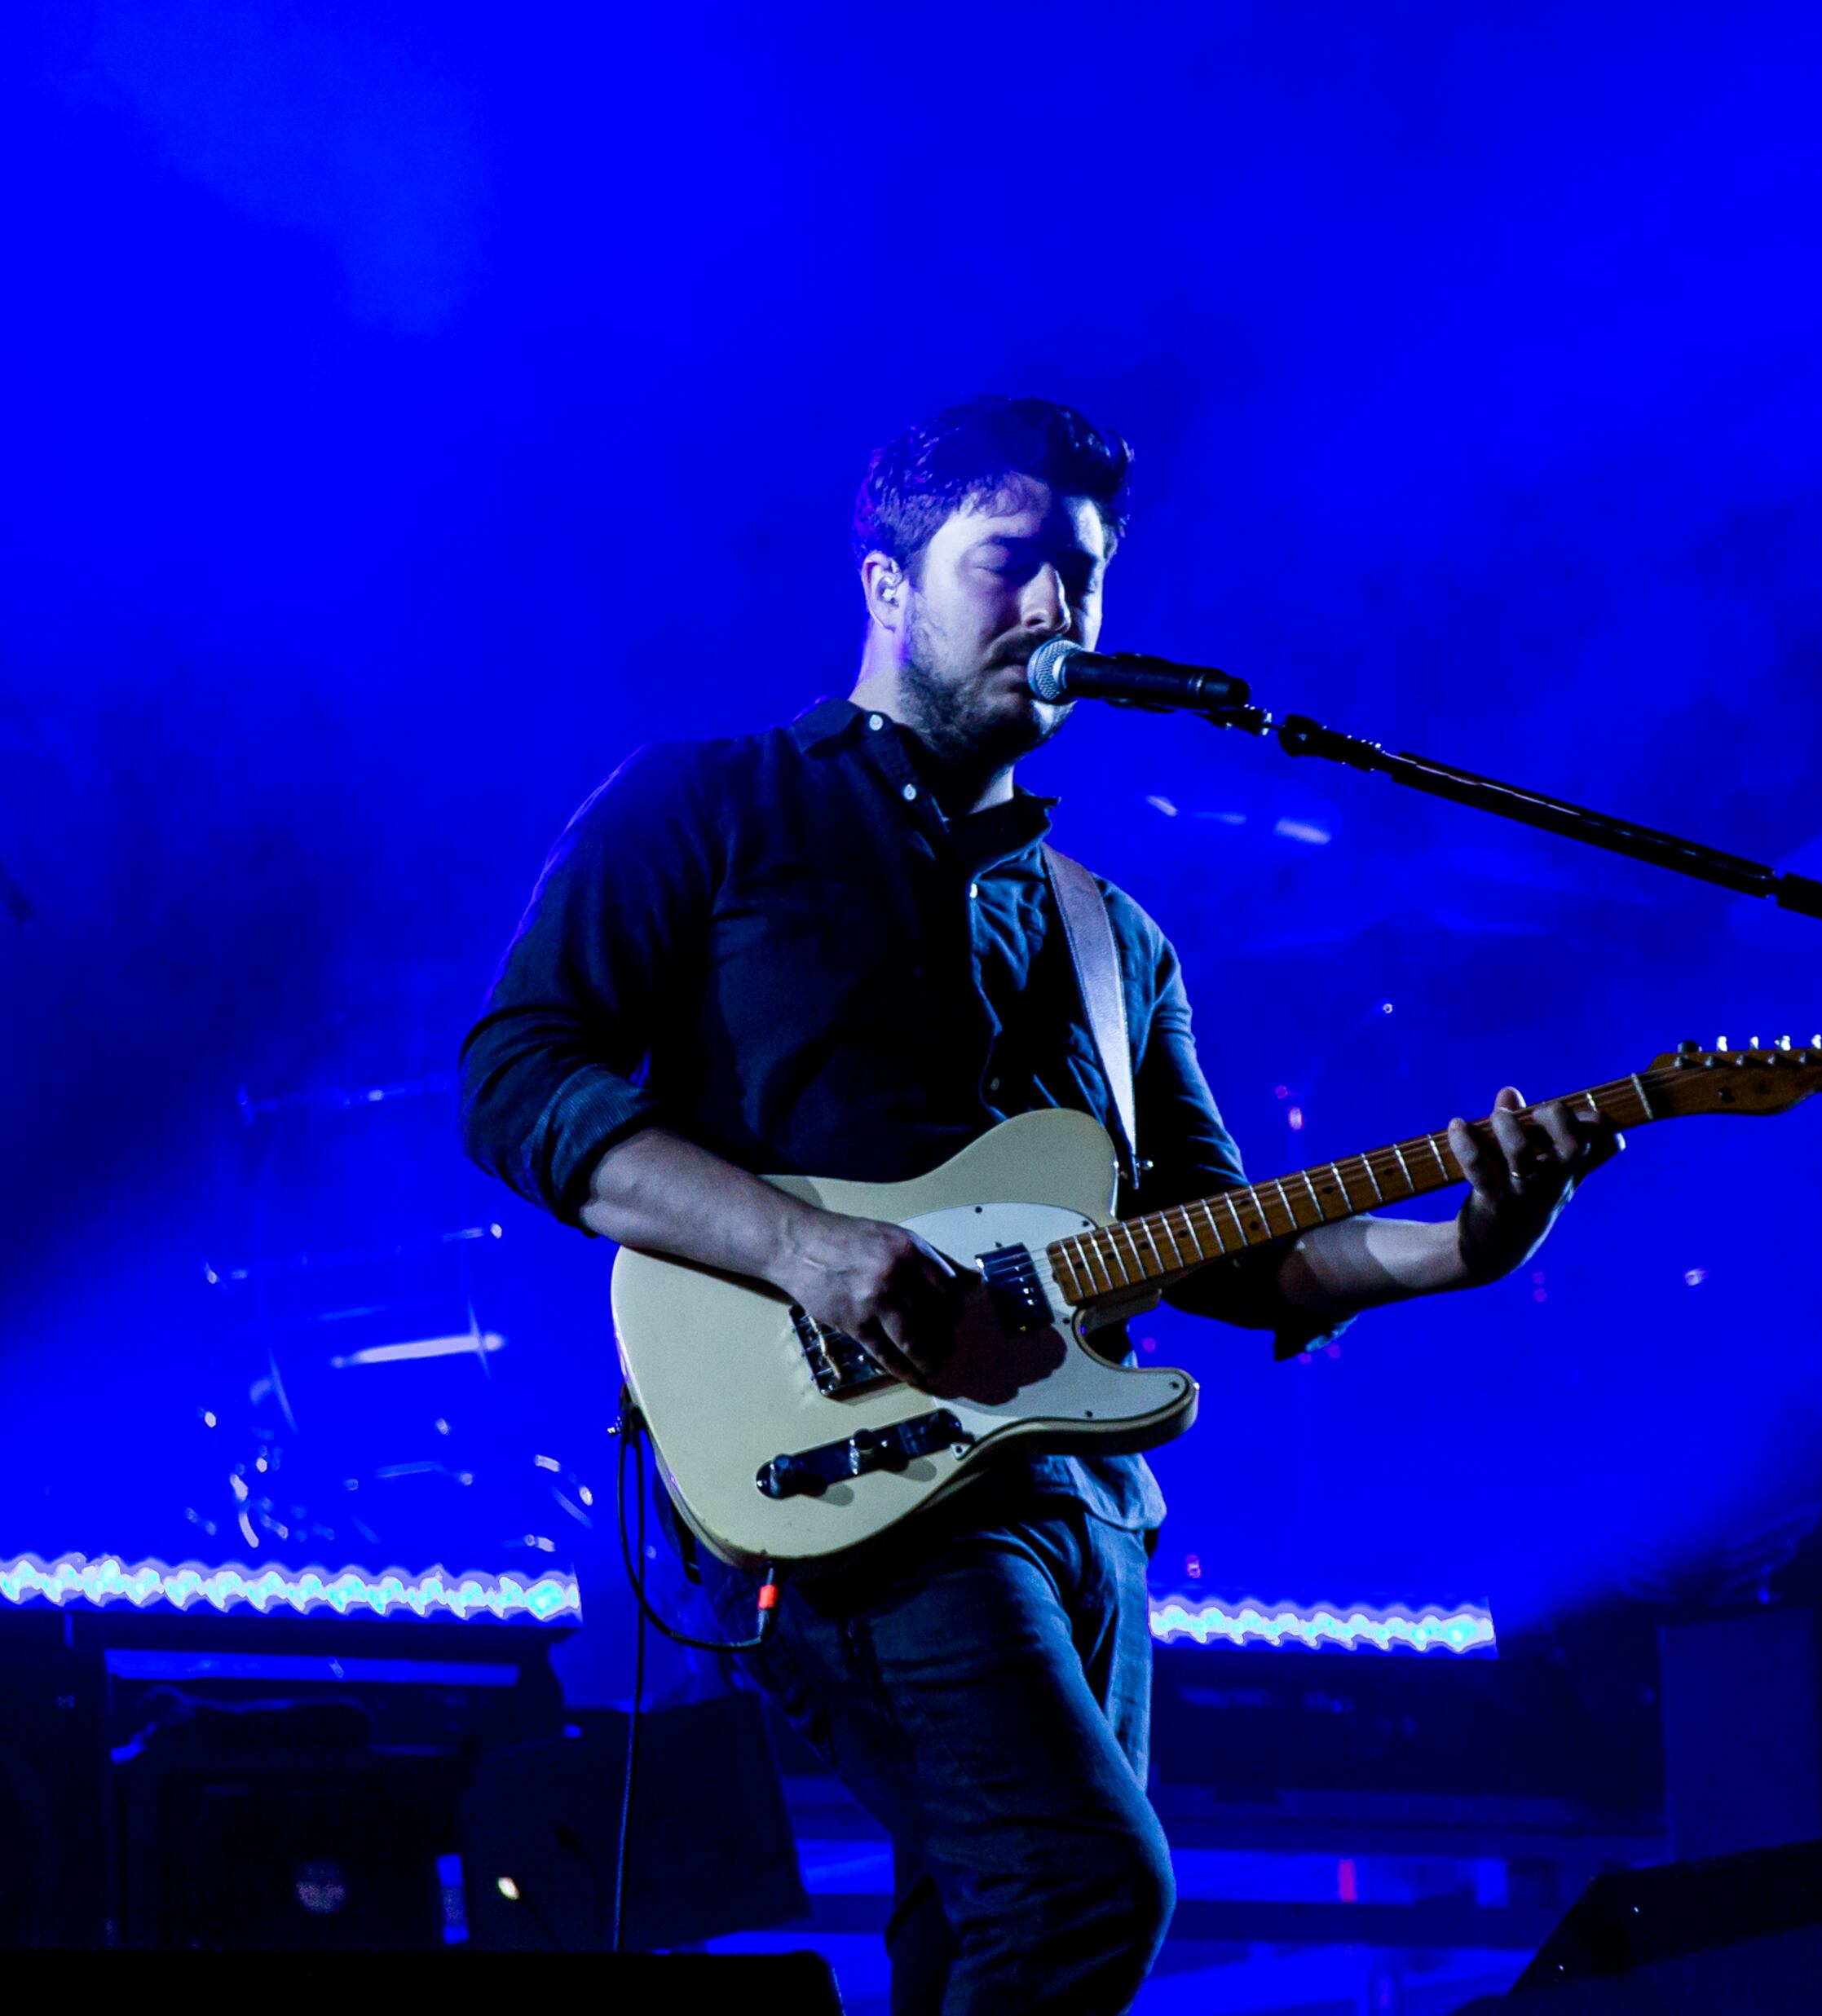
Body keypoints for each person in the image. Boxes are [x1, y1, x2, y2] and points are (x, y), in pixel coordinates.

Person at [458, 395, 1615, 2013]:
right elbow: (517, 1080)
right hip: (846, 1474)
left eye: (1081, 574)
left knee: (985, 1939)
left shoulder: (1114, 939)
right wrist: (813, 1246)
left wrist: (1460, 1246)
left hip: (1086, 1505)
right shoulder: (706, 808)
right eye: (1009, 563)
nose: (1055, 609)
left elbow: (1242, 1248)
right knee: (1085, 1890)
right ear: (886, 587)